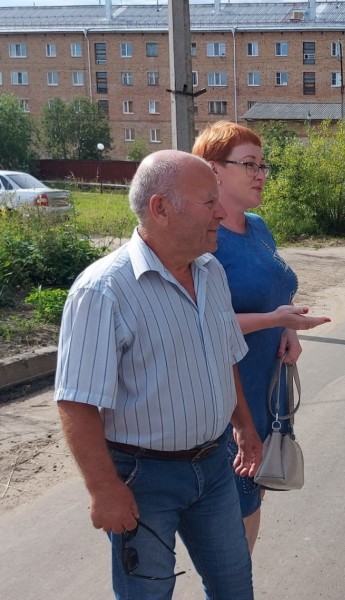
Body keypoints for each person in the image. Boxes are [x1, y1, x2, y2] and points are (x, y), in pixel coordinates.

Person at [54, 150, 262, 600]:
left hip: (214, 466)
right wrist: (104, 488)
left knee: (234, 587)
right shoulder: (102, 290)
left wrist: (244, 425)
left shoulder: (211, 272)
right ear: (161, 208)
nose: (222, 212)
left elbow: (225, 356)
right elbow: (76, 400)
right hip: (143, 479)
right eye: (209, 202)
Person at [192, 121, 330, 552]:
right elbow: (195, 326)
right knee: (232, 515)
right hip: (224, 397)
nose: (261, 174)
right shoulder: (202, 240)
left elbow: (276, 287)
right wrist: (272, 320)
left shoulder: (258, 227)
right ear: (213, 170)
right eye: (249, 164)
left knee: (253, 498)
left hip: (265, 386)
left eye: (262, 164)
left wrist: (285, 324)